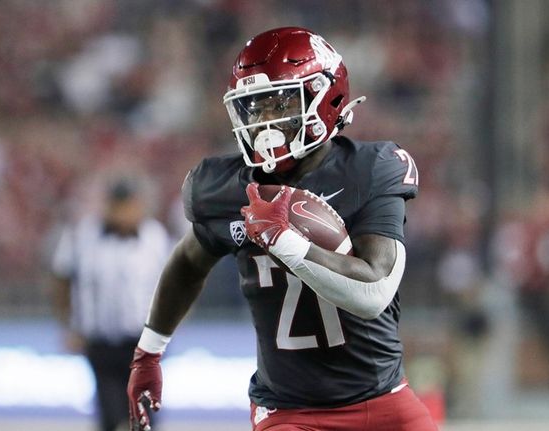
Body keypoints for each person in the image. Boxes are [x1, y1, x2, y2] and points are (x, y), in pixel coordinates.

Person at [127, 27, 437, 431]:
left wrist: (284, 240)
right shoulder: (223, 188)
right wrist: (149, 353)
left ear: (328, 98)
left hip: (383, 398)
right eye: (255, 109)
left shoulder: (371, 170)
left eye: (280, 104)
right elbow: (189, 260)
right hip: (290, 412)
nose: (266, 122)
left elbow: (373, 293)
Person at [52, 177, 169, 431]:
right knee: (111, 415)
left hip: (144, 343)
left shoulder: (155, 236)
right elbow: (61, 279)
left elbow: (177, 284)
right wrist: (69, 325)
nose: (124, 213)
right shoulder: (82, 235)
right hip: (100, 341)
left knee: (144, 416)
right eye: (119, 206)